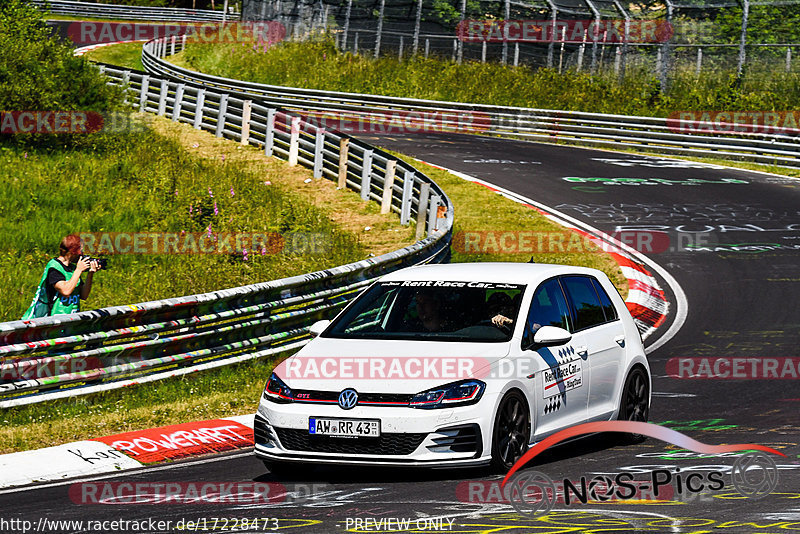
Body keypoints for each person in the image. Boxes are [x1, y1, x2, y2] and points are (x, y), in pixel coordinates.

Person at [22, 234, 101, 319]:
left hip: (69, 320)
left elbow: (84, 295)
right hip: (49, 320)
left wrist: (90, 273)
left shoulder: (73, 268)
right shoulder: (54, 267)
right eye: (80, 251)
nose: (82, 254)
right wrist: (78, 270)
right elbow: (66, 291)